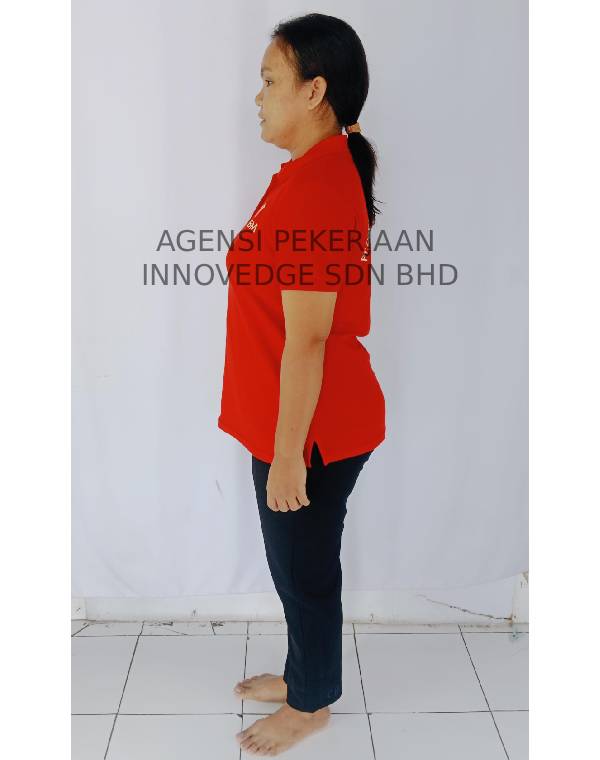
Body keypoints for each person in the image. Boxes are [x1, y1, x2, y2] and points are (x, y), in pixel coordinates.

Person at [217, 12, 386, 756]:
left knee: (304, 569)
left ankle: (310, 703)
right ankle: (303, 673)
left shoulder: (317, 189)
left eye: (269, 81)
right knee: (297, 566)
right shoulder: (305, 174)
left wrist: (290, 457)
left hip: (313, 429)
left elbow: (310, 339)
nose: (257, 97)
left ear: (314, 91)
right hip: (287, 416)